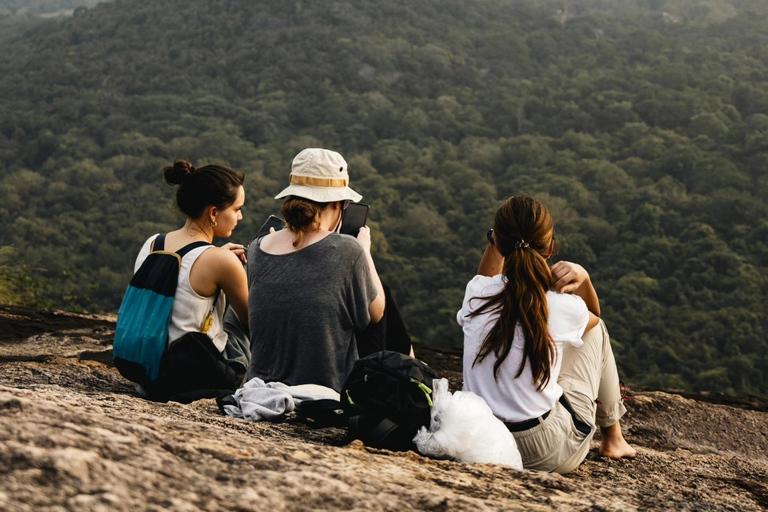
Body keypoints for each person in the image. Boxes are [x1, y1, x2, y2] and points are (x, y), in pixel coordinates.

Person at [458, 195, 636, 474]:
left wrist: (496, 240)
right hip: (542, 452)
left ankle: (613, 438)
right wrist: (584, 277)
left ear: (497, 241)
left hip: (479, 442)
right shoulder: (563, 306)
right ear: (550, 248)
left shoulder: (477, 293)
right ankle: (614, 439)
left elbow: (485, 279)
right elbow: (593, 320)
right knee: (596, 330)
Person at [246, 148, 412, 392]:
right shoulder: (349, 250)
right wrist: (365, 252)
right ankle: (414, 380)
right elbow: (377, 315)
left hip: (259, 386)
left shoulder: (256, 248)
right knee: (378, 294)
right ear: (337, 205)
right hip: (324, 390)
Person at [131, 159, 251, 399]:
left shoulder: (154, 243)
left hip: (145, 377)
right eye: (237, 209)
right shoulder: (222, 262)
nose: (240, 217)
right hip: (192, 380)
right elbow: (255, 324)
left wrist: (217, 259)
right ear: (214, 213)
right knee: (238, 322)